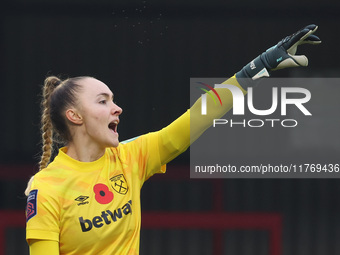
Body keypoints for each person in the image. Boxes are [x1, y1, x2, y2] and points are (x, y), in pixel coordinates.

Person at [25, 24, 320, 254]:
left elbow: (197, 117)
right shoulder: (47, 188)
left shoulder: (130, 158)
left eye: (113, 100)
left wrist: (259, 66)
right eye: (103, 101)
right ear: (75, 116)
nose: (117, 108)